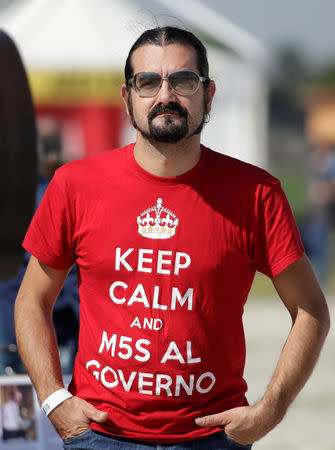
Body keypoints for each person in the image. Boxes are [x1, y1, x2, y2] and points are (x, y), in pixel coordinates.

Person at [14, 27, 330, 449]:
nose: (165, 95)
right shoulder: (75, 185)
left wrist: (268, 412)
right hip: (101, 436)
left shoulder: (255, 193)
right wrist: (55, 401)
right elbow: (32, 299)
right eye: (147, 82)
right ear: (127, 98)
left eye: (183, 81)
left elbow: (311, 309)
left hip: (212, 439)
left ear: (209, 94)